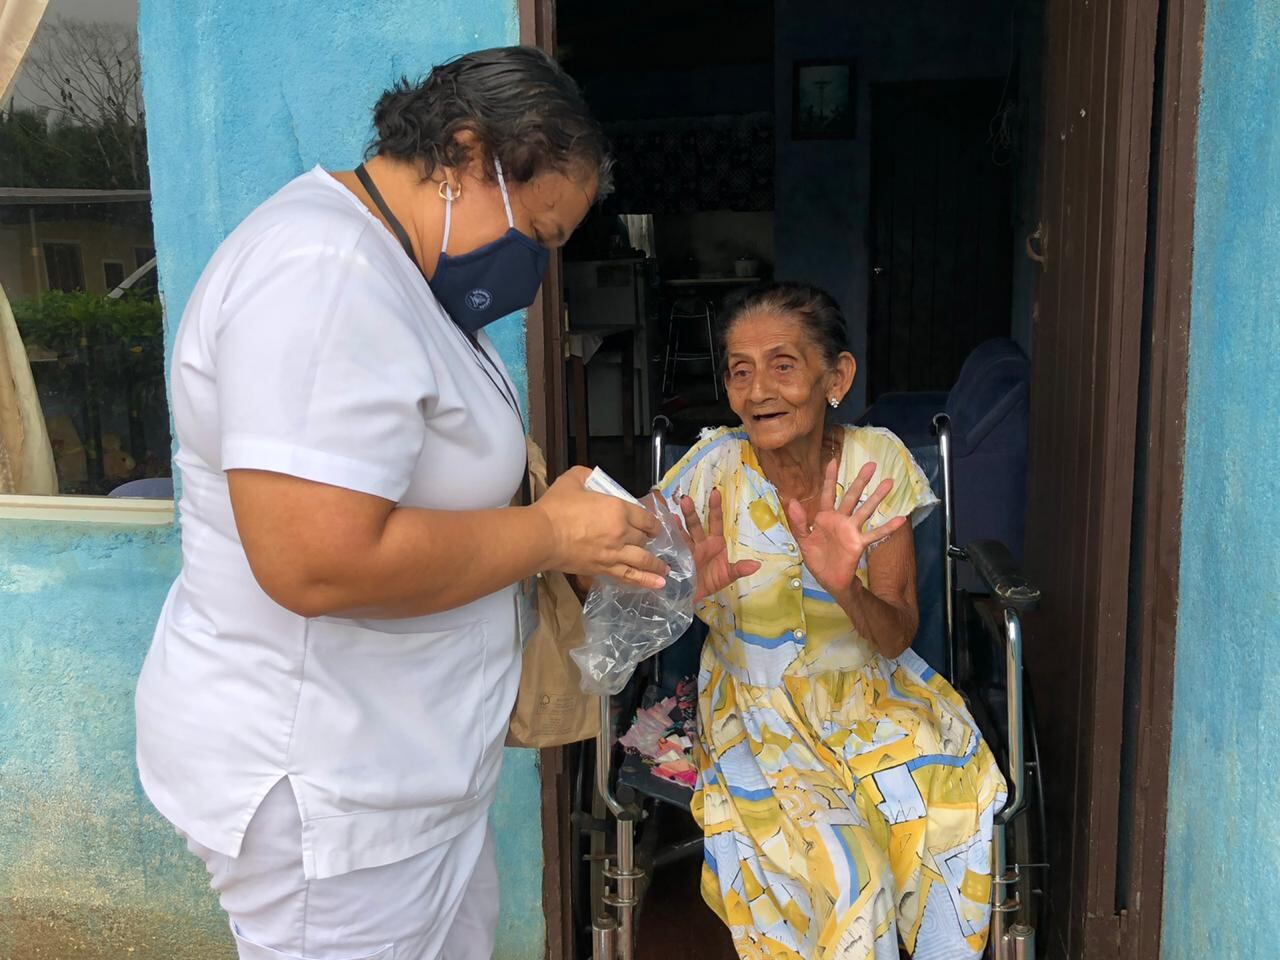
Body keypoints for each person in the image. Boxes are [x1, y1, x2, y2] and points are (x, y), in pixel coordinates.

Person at [134, 47, 668, 960]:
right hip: (329, 797)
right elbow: (315, 556)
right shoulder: (325, 270)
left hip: (406, 778)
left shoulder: (398, 276)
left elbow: (428, 487)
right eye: (539, 232)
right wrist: (544, 533)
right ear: (466, 152)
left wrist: (561, 526)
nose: (538, 264)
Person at [660, 282, 1007, 960]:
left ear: (836, 377)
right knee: (849, 875)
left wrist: (845, 588)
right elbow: (609, 588)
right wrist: (674, 592)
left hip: (872, 694)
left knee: (953, 812)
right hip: (757, 712)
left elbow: (895, 632)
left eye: (783, 365)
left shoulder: (875, 465)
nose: (758, 389)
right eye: (739, 369)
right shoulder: (709, 471)